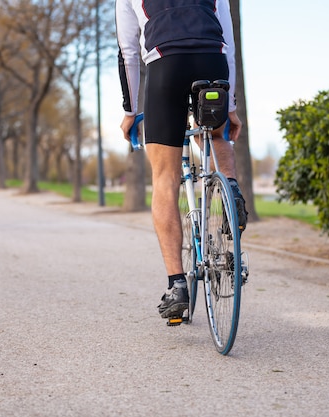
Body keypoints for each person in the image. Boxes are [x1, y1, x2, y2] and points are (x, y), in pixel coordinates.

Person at [116, 0, 248, 321]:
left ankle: (177, 285)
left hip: (166, 66)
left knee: (164, 179)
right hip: (211, 61)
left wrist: (130, 113)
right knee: (215, 136)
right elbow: (227, 47)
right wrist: (230, 108)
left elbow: (129, 53)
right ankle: (231, 191)